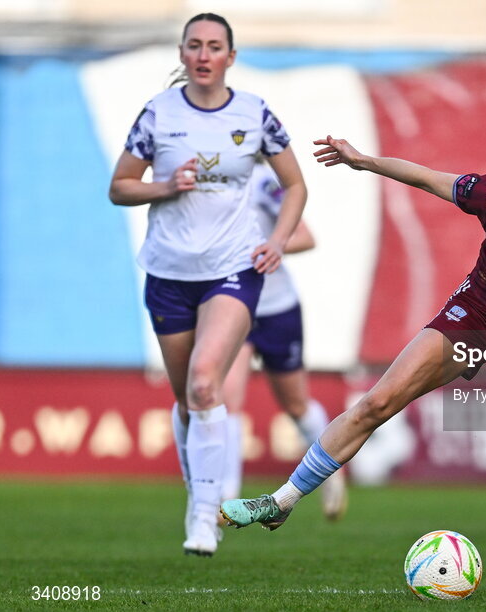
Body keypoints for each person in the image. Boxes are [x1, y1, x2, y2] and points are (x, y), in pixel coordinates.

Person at [221, 98, 486, 598]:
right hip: (480, 315)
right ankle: (283, 500)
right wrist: (363, 160)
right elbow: (426, 177)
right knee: (377, 402)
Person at [108, 13, 307, 557]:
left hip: (231, 269)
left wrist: (278, 239)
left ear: (230, 58)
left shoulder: (255, 113)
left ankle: (204, 516)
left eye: (214, 46)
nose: (203, 55)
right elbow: (120, 188)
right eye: (194, 45)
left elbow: (294, 186)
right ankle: (198, 492)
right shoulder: (157, 113)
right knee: (184, 399)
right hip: (169, 274)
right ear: (182, 53)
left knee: (203, 383)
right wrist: (165, 186)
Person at [220, 159, 348, 521]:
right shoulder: (205, 185)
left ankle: (332, 477)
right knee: (228, 400)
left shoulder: (262, 183)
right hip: (235, 307)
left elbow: (305, 236)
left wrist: (264, 248)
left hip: (278, 309)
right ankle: (225, 498)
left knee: (296, 405)